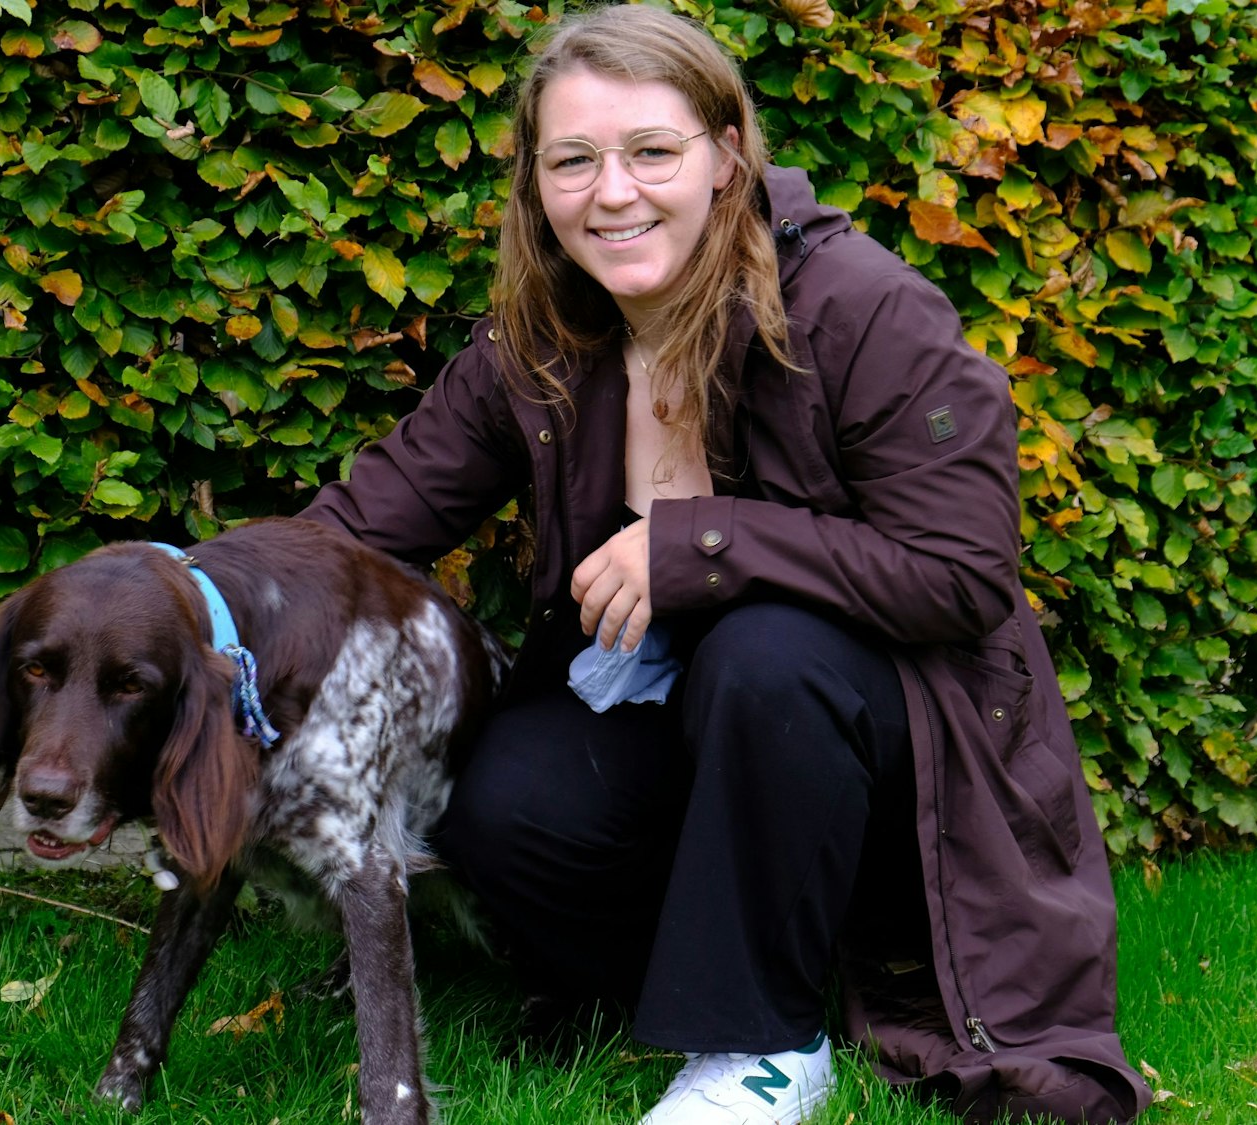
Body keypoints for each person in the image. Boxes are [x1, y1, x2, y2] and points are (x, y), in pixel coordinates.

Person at [301, 6, 1151, 1123]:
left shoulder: (862, 309)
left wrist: (700, 543)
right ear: (535, 185)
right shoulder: (543, 335)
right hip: (675, 714)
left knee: (765, 653)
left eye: (652, 151)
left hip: (889, 732)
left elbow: (960, 574)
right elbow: (367, 522)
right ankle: (707, 965)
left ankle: (762, 1044)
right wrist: (197, 603)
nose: (612, 193)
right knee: (501, 805)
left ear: (726, 155)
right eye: (572, 161)